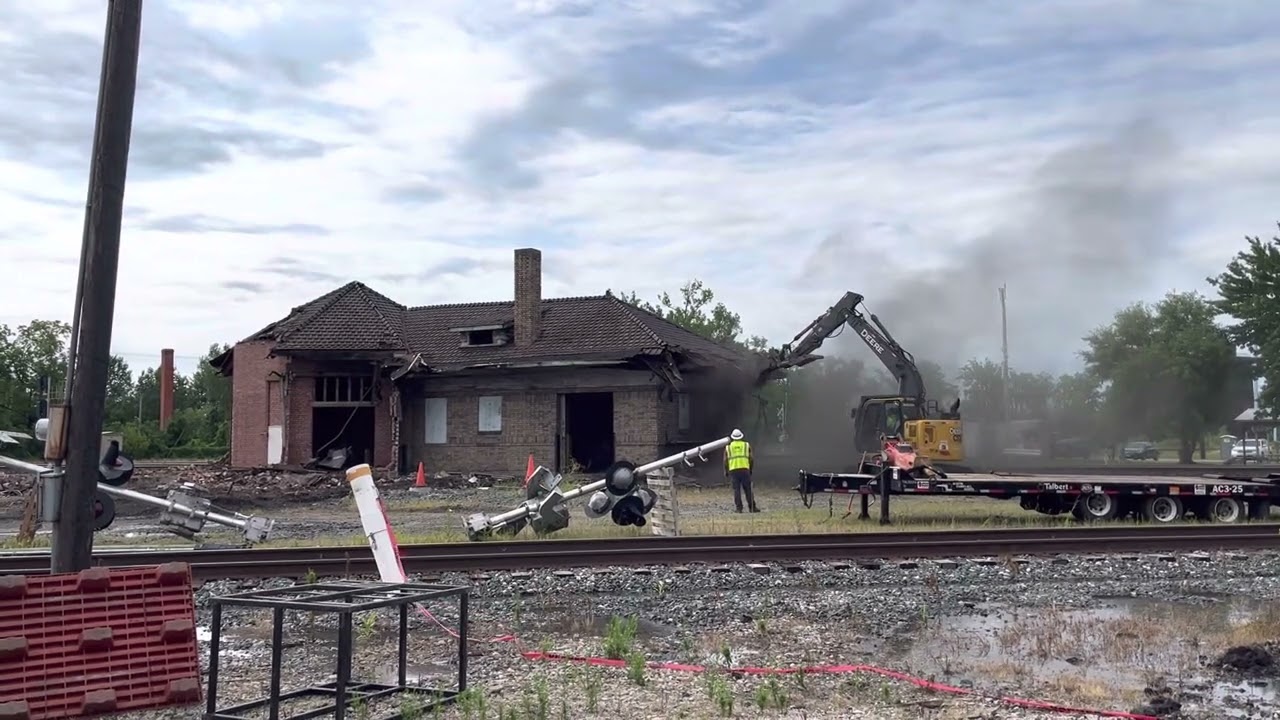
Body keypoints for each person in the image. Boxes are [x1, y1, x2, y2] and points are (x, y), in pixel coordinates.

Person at [724, 429, 759, 513]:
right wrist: (750, 469)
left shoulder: (728, 447)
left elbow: (725, 460)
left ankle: (739, 508)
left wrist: (726, 470)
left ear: (732, 437)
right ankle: (752, 508)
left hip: (733, 470)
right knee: (748, 489)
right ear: (741, 436)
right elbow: (751, 458)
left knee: (736, 490)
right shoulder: (746, 445)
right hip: (744, 470)